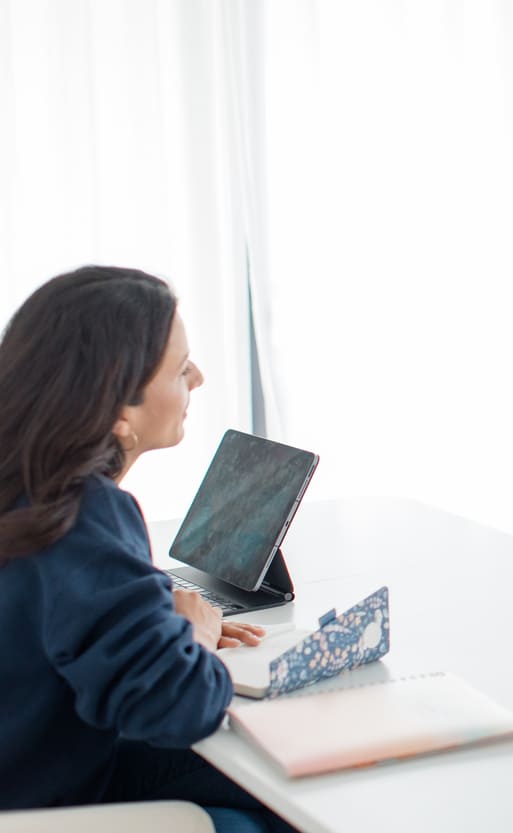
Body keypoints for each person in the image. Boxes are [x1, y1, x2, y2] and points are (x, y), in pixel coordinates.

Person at [0, 266, 290, 832]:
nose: (199, 379)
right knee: (289, 782)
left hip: (19, 774)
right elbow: (178, 709)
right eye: (182, 370)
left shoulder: (22, 493)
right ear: (118, 410)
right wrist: (194, 635)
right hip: (45, 803)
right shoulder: (80, 515)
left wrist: (155, 623)